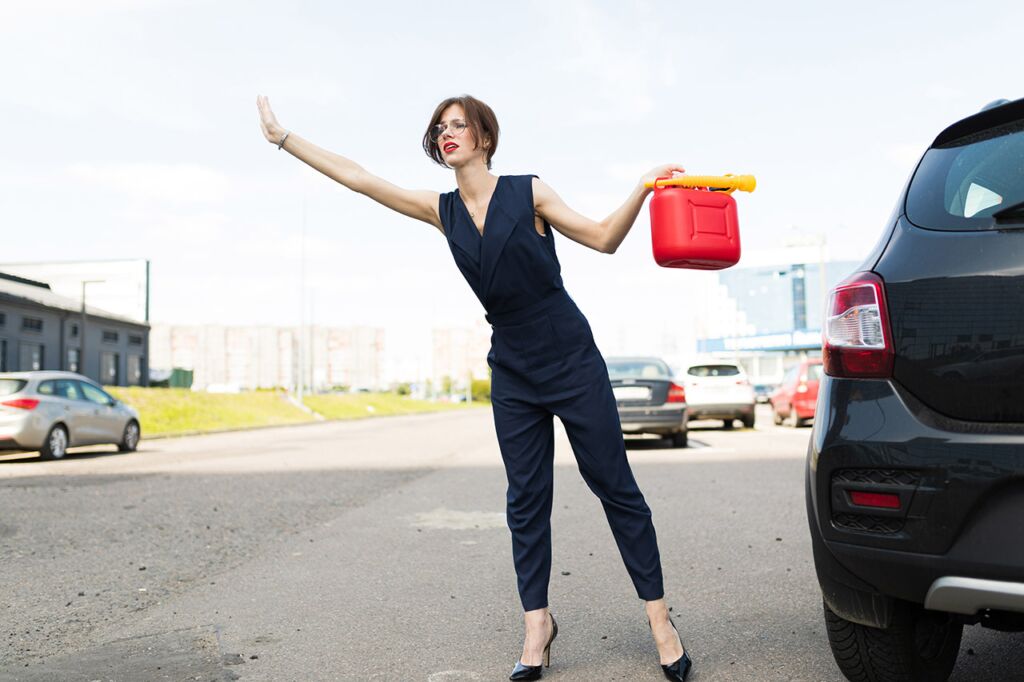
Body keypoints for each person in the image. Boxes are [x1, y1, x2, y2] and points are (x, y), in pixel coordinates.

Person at [256, 93, 692, 681]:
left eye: (458, 125)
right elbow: (359, 178)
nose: (447, 134)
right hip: (512, 366)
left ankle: (659, 619)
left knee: (614, 485)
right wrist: (286, 138)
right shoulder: (441, 210)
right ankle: (537, 623)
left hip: (569, 353)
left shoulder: (528, 190)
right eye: (440, 128)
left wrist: (642, 188)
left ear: (484, 136)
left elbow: (603, 238)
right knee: (525, 500)